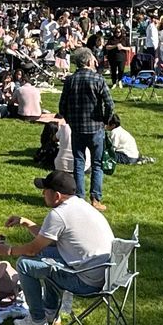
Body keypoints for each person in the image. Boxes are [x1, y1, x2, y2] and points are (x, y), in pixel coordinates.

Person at [0, 169, 115, 325]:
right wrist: (27, 223)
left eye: (45, 190)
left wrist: (8, 250)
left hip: (87, 282)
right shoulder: (80, 204)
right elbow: (48, 240)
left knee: (24, 264)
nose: (42, 193)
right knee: (44, 256)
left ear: (56, 195)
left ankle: (37, 319)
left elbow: (32, 249)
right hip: (105, 274)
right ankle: (50, 311)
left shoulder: (59, 214)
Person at [58, 48, 114, 210]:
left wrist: (70, 120)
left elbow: (62, 106)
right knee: (97, 164)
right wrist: (105, 119)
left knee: (79, 163)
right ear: (89, 61)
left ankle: (79, 197)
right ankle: (95, 199)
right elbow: (109, 103)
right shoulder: (98, 79)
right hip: (96, 127)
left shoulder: (70, 80)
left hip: (77, 128)